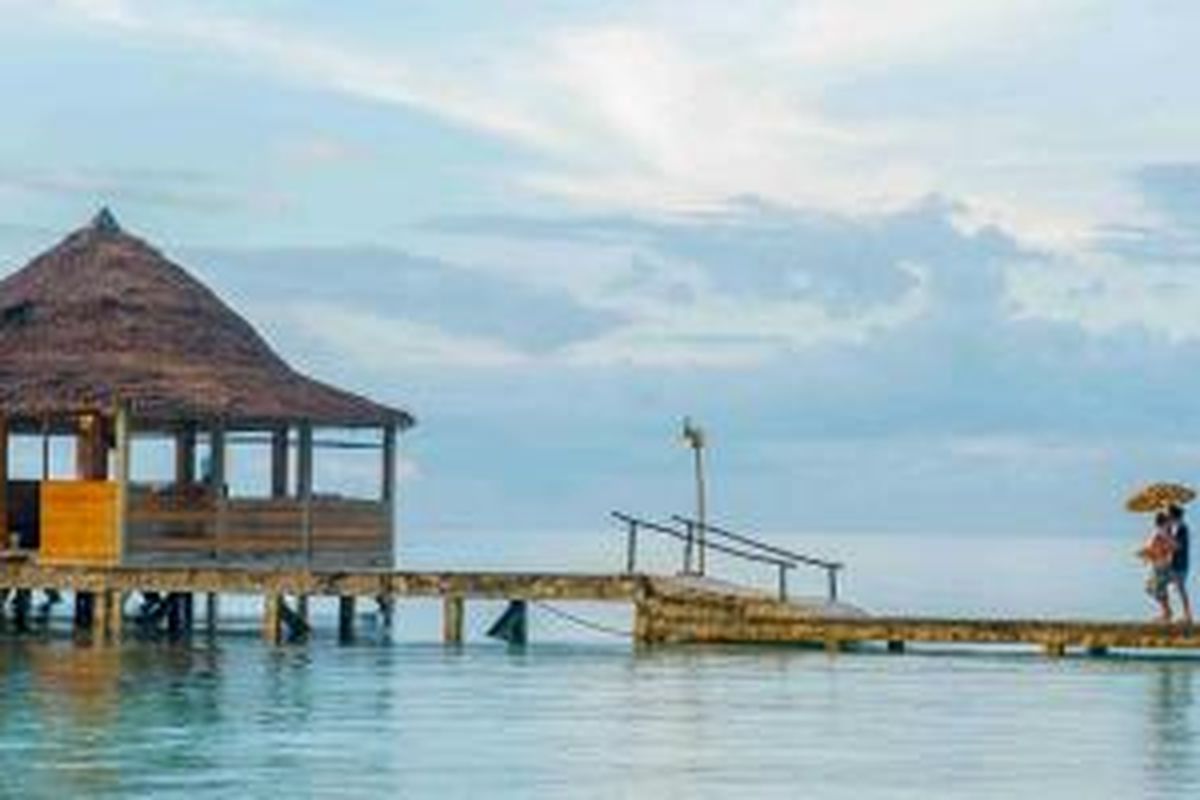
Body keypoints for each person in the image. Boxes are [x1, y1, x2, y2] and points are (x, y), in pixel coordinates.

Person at [1138, 511, 1176, 622]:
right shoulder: (1165, 534)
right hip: (1162, 564)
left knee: (1155, 589)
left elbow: (1154, 548)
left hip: (1160, 565)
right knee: (1156, 588)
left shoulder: (1159, 534)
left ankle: (1167, 613)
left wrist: (1147, 553)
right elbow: (1173, 546)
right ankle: (1166, 612)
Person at [1168, 505, 1193, 625]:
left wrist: (1168, 539)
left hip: (1180, 564)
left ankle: (1187, 616)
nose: (1168, 518)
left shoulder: (1182, 528)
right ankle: (1181, 614)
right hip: (1176, 563)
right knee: (1177, 589)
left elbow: (1179, 546)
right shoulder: (1177, 528)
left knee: (1180, 589)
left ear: (1174, 516)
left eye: (1169, 516)